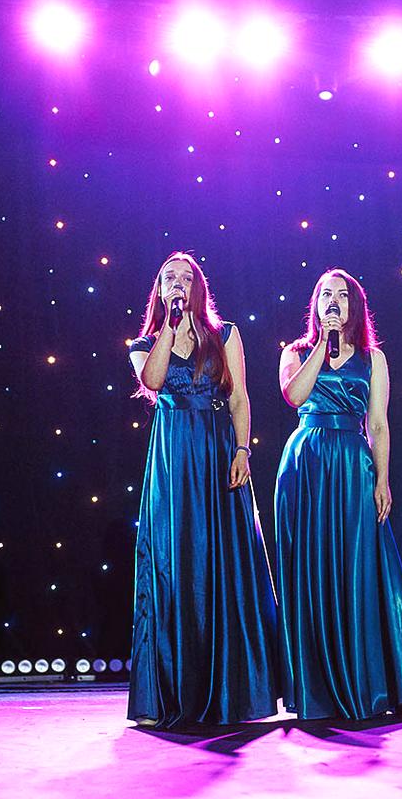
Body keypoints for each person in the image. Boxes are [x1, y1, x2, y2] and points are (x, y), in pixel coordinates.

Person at [275, 268, 402, 720]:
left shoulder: (374, 358)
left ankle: (365, 679)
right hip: (307, 462)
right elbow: (294, 396)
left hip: (352, 463)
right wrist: (321, 347)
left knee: (357, 567)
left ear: (355, 305)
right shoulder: (295, 352)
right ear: (316, 305)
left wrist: (382, 478)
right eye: (326, 294)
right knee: (310, 567)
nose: (334, 301)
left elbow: (379, 424)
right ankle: (315, 686)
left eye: (342, 295)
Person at [127, 252, 279, 727]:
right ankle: (170, 691)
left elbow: (239, 397)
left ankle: (236, 689)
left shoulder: (225, 334)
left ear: (199, 287)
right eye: (169, 277)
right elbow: (154, 381)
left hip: (217, 449)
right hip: (174, 455)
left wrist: (242, 449)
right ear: (159, 289)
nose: (178, 283)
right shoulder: (144, 343)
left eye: (186, 277)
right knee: (174, 561)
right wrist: (169, 329)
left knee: (225, 558)